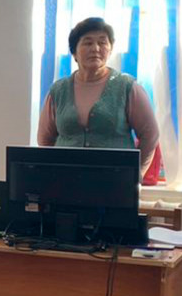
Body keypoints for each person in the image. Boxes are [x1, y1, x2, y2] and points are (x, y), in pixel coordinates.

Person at [37, 17, 160, 176]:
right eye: (88, 43)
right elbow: (45, 140)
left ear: (110, 49)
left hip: (115, 181)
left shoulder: (127, 87)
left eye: (102, 43)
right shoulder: (58, 91)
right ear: (74, 52)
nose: (95, 48)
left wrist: (135, 175)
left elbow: (150, 134)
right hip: (65, 179)